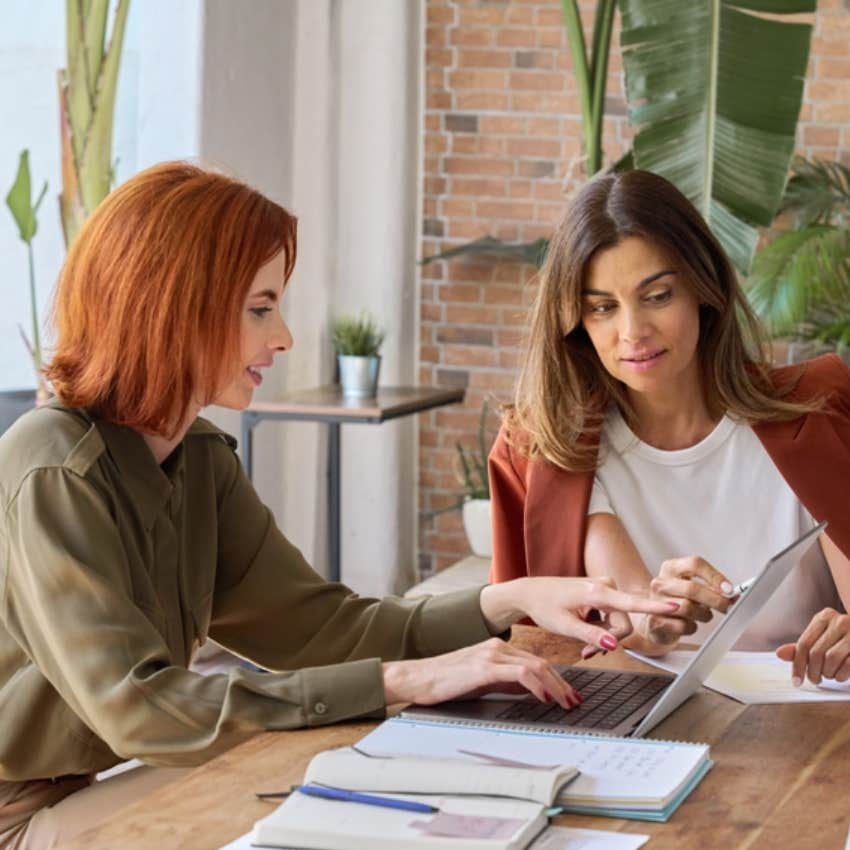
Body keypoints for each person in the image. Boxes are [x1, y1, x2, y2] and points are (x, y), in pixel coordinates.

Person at [0, 162, 673, 849]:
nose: (284, 337)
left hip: (88, 789)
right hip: (16, 816)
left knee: (347, 767)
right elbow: (140, 710)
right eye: (260, 308)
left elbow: (321, 629)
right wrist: (402, 680)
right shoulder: (54, 467)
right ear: (175, 306)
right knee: (319, 781)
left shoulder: (197, 458)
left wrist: (507, 600)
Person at [490, 169, 850, 680]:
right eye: (602, 308)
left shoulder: (814, 409)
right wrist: (658, 624)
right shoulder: (555, 453)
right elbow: (635, 616)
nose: (632, 332)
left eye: (657, 296)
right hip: (647, 717)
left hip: (808, 713)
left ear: (704, 290)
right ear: (575, 321)